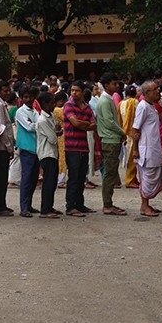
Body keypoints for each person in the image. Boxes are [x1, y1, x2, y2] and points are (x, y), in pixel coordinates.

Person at [132, 81, 162, 217]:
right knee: (147, 178)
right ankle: (144, 206)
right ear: (147, 93)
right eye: (155, 90)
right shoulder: (143, 107)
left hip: (154, 148)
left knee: (155, 178)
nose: (158, 92)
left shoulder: (152, 106)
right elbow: (135, 128)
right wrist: (135, 149)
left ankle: (146, 204)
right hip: (146, 150)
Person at [63, 81, 97, 217]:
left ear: (83, 92)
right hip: (72, 147)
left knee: (81, 177)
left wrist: (83, 124)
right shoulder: (68, 106)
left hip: (83, 147)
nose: (74, 93)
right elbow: (75, 122)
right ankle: (70, 206)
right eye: (72, 90)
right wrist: (86, 124)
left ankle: (79, 204)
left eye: (77, 91)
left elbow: (94, 125)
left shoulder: (87, 107)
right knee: (73, 178)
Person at [96, 73, 127, 216]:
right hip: (110, 140)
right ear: (107, 85)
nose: (117, 86)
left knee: (111, 172)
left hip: (111, 139)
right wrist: (122, 132)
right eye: (114, 83)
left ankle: (109, 203)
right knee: (110, 174)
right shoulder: (105, 101)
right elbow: (109, 122)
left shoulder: (106, 99)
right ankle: (107, 204)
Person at [36, 92, 63, 219]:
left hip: (53, 152)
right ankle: (45, 209)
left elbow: (57, 130)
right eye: (52, 102)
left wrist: (56, 131)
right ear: (45, 104)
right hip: (47, 153)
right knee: (48, 182)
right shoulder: (42, 120)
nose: (54, 104)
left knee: (52, 183)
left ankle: (49, 206)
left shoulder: (51, 116)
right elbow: (53, 138)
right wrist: (56, 132)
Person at [0, 81, 15, 216]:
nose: (8, 93)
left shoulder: (1, 104)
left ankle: (2, 204)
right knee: (0, 177)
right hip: (1, 147)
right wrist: (9, 146)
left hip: (3, 146)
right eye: (5, 91)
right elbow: (1, 129)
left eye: (8, 90)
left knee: (2, 177)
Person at [15, 85, 40, 217]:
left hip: (36, 148)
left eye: (31, 97)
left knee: (33, 178)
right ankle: (24, 207)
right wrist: (41, 125)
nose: (29, 99)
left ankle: (29, 204)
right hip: (26, 148)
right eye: (26, 97)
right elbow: (29, 127)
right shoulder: (20, 112)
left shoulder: (35, 111)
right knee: (26, 177)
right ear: (22, 98)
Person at [120, 85, 140, 188]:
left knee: (128, 156)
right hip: (132, 132)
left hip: (124, 131)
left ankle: (133, 178)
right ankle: (130, 179)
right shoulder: (134, 102)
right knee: (132, 157)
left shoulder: (121, 103)